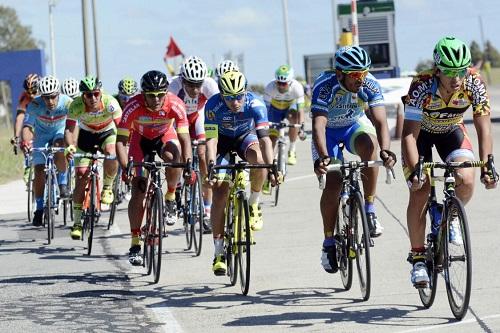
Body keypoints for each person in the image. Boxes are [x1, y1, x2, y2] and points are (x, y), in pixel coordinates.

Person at [401, 36, 497, 287]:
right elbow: (409, 134)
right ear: (437, 69)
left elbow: (484, 129)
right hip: (420, 135)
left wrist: (488, 164)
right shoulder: (421, 85)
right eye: (449, 71)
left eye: (461, 71)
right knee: (420, 190)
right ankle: (419, 257)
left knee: (466, 177)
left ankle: (449, 215)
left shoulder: (474, 82)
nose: (456, 78)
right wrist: (414, 172)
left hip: (451, 132)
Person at [311, 46, 396, 274]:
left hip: (352, 127)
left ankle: (369, 208)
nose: (361, 79)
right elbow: (318, 126)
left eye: (365, 73)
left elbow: (380, 122)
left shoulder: (368, 84)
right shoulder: (324, 86)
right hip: (328, 133)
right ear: (340, 74)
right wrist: (324, 157)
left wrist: (386, 151)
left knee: (370, 147)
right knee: (334, 182)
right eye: (356, 75)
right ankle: (328, 242)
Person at [116, 70, 193, 266]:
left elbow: (184, 139)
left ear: (166, 92)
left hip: (164, 136)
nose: (157, 99)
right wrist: (126, 168)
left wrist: (189, 164)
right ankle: (135, 244)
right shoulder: (133, 106)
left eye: (160, 94)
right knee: (139, 189)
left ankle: (170, 196)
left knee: (174, 157)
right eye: (151, 95)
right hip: (139, 140)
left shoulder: (175, 104)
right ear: (143, 95)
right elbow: (121, 141)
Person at [204, 70, 275, 276]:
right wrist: (211, 166)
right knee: (219, 192)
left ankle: (253, 201)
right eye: (229, 97)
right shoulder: (213, 105)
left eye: (239, 96)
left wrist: (271, 168)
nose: (235, 102)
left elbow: (265, 140)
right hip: (222, 143)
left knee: (258, 160)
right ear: (222, 95)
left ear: (245, 92)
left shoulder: (256, 103)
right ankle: (218, 252)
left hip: (245, 137)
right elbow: (211, 141)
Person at [65, 75, 122, 240]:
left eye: (96, 94)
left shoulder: (110, 102)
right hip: (86, 135)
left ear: (100, 92)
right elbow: (69, 129)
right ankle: (76, 222)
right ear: (83, 95)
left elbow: (121, 127)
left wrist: (125, 147)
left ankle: (107, 187)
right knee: (82, 175)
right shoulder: (76, 105)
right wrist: (69, 146)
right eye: (88, 95)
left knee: (112, 153)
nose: (93, 98)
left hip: (107, 132)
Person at [168, 56, 219, 232]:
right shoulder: (173, 86)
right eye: (191, 85)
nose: (196, 89)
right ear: (182, 79)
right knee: (179, 152)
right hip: (178, 121)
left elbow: (218, 110)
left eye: (199, 84)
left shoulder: (210, 85)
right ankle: (176, 188)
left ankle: (206, 209)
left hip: (199, 117)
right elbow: (166, 116)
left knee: (204, 155)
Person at [20, 75, 72, 226]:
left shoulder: (67, 102)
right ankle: (39, 207)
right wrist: (26, 142)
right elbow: (27, 127)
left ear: (58, 94)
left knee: (59, 147)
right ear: (40, 96)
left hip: (59, 132)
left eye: (53, 97)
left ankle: (63, 184)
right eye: (46, 98)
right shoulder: (34, 105)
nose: (50, 101)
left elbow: (75, 123)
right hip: (41, 136)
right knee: (39, 170)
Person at [264, 64, 306, 167]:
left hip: (289, 108)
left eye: (284, 84)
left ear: (290, 82)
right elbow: (265, 110)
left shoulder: (297, 87)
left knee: (294, 118)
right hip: (274, 110)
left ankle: (292, 149)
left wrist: (301, 128)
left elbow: (301, 110)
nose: (281, 86)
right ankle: (270, 164)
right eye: (279, 83)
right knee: (272, 138)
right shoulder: (270, 87)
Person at [11, 73, 39, 184]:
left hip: (46, 123)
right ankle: (28, 165)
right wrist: (16, 136)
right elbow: (20, 117)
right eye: (29, 91)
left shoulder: (45, 96)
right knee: (26, 133)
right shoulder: (24, 96)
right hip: (32, 123)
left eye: (34, 91)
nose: (31, 94)